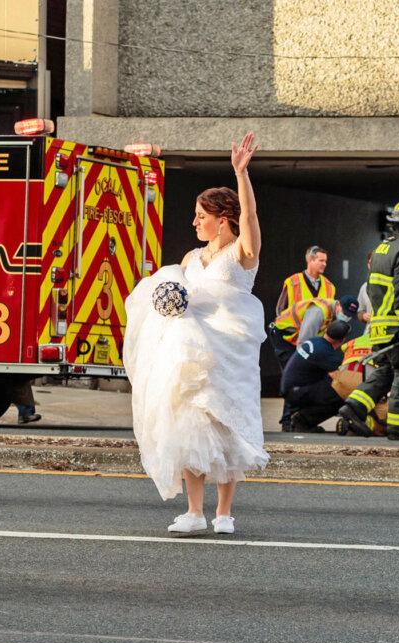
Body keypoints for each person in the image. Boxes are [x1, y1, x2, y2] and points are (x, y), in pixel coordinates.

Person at [124, 132, 267, 536]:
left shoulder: (242, 250)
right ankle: (193, 512)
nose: (194, 222)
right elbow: (179, 295)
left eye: (201, 217)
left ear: (223, 219)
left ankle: (224, 513)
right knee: (189, 425)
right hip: (190, 352)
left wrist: (241, 174)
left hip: (229, 353)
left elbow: (251, 219)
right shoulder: (190, 258)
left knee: (226, 428)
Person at [337, 198, 399, 441]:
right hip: (398, 325)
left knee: (384, 373)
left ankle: (353, 407)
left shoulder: (381, 249)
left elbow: (376, 290)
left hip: (378, 326)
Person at [281, 320, 350, 433]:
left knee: (329, 385)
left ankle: (300, 420)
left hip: (291, 389)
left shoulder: (315, 341)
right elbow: (343, 373)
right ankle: (302, 421)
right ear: (342, 340)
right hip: (297, 392)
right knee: (340, 393)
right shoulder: (325, 352)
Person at [275, 245, 335, 318]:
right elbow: (280, 311)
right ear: (310, 260)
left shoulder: (329, 287)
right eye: (321, 261)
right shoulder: (292, 282)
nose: (324, 264)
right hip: (296, 329)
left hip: (320, 329)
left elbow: (331, 314)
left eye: (325, 261)